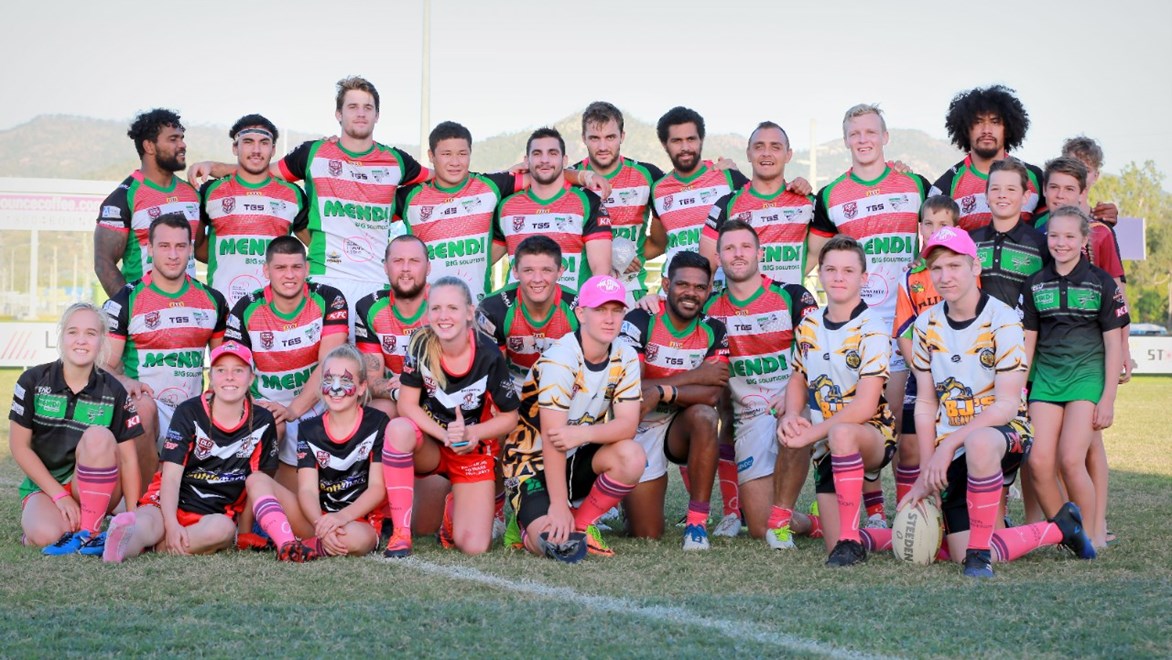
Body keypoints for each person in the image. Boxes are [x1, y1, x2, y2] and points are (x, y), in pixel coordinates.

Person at [901, 226, 1095, 578]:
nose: (945, 276)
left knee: (979, 442)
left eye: (954, 266)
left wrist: (949, 447)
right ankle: (1061, 528)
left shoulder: (1002, 318)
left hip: (1006, 434)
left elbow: (1005, 405)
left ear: (975, 267)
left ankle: (980, 556)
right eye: (937, 268)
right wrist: (928, 469)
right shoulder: (926, 324)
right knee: (955, 552)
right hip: (953, 444)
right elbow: (926, 404)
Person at [189, 76, 431, 337]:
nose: (360, 114)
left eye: (367, 107)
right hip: (323, 280)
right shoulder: (313, 153)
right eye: (352, 107)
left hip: (377, 281)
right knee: (326, 360)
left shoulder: (396, 161)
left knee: (373, 361)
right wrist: (215, 167)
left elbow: (439, 179)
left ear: (377, 115)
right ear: (338, 114)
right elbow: (261, 171)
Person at [810, 104, 930, 526]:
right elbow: (813, 257)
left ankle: (911, 515)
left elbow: (942, 233)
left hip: (908, 323)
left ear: (885, 137)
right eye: (855, 133)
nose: (863, 140)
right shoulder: (830, 195)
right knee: (866, 421)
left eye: (870, 132)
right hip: (857, 325)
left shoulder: (915, 184)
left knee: (899, 429)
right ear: (846, 140)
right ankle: (876, 513)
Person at [502, 275, 645, 561]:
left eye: (616, 310)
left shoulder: (626, 355)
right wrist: (557, 505)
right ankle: (523, 525)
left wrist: (582, 434)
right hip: (533, 461)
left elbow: (627, 426)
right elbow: (554, 439)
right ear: (581, 313)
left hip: (577, 452)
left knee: (632, 456)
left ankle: (582, 523)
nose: (609, 319)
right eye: (600, 310)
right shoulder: (561, 358)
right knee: (556, 546)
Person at [101, 342, 284, 562]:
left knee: (223, 530)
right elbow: (170, 477)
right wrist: (171, 524)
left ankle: (160, 547)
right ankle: (121, 544)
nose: (229, 377)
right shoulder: (189, 411)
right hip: (170, 500)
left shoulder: (262, 421)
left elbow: (255, 483)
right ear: (211, 376)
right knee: (147, 523)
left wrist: (244, 534)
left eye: (238, 370)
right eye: (221, 370)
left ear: (251, 378)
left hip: (214, 513)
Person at [380, 277, 522, 557]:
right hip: (433, 444)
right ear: (428, 312)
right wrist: (444, 435)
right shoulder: (420, 342)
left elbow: (510, 418)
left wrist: (472, 434)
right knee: (398, 428)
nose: (443, 316)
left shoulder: (488, 354)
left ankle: (451, 512)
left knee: (474, 546)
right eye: (436, 308)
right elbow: (407, 405)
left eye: (452, 308)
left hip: (470, 450)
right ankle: (400, 534)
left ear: (469, 313)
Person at [780, 235, 897, 566]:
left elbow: (864, 407)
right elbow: (798, 377)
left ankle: (849, 538)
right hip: (825, 446)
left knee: (842, 432)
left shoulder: (872, 328)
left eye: (848, 270)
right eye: (830, 269)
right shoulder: (809, 324)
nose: (838, 277)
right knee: (835, 550)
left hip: (871, 435)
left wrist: (808, 435)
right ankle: (882, 536)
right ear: (819, 274)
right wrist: (791, 415)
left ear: (863, 278)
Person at [704, 221, 819, 545]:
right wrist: (650, 301)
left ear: (760, 253)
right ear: (718, 257)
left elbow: (819, 355)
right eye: (729, 248)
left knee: (796, 423)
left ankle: (783, 518)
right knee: (757, 527)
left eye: (745, 247)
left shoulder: (792, 296)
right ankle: (815, 522)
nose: (738, 254)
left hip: (793, 405)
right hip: (750, 417)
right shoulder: (709, 310)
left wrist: (796, 397)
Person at [1023, 206, 1128, 549]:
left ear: (1084, 240)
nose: (1061, 243)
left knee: (1070, 459)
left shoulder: (1101, 282)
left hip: (1086, 377)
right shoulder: (1035, 283)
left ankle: (1094, 535)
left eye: (1069, 236)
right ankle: (1070, 534)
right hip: (1047, 379)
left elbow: (1113, 344)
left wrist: (1108, 398)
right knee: (1039, 462)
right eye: (1054, 235)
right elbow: (1028, 343)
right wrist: (1019, 389)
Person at [104, 214, 228, 486]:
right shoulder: (126, 300)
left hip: (193, 412)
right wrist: (125, 380)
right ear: (150, 248)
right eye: (164, 246)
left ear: (190, 249)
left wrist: (215, 395)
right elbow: (102, 366)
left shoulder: (213, 300)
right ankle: (146, 496)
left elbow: (224, 364)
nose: (173, 255)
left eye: (180, 246)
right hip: (148, 411)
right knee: (141, 406)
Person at [10, 303, 143, 555]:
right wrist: (59, 496)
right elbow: (19, 446)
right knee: (46, 535)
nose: (81, 340)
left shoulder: (113, 390)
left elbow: (128, 459)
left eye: (91, 333)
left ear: (102, 341)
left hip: (93, 484)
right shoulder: (32, 381)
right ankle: (65, 522)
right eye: (73, 332)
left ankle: (89, 531)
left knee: (98, 435)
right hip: (47, 486)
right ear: (62, 336)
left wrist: (132, 516)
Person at [618, 251, 728, 550]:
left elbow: (711, 394)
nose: (691, 293)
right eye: (683, 284)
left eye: (700, 287)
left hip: (680, 421)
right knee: (646, 533)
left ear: (709, 290)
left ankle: (696, 523)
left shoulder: (714, 329)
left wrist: (663, 391)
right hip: (639, 423)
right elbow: (633, 387)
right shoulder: (640, 319)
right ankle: (624, 499)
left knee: (706, 416)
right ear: (666, 284)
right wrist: (696, 375)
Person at [224, 236, 349, 487]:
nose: (289, 275)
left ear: (307, 268)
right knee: (272, 426)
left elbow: (329, 364)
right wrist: (258, 407)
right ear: (266, 270)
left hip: (316, 403)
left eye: (296, 267)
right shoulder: (246, 307)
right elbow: (232, 370)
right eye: (280, 268)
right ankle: (244, 504)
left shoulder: (329, 298)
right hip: (266, 404)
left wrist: (292, 410)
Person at [890, 196, 962, 505]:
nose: (935, 231)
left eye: (943, 224)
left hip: (961, 374)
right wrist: (921, 372)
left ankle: (952, 511)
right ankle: (909, 512)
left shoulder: (968, 272)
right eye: (929, 224)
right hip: (922, 375)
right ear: (920, 228)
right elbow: (903, 332)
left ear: (956, 228)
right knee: (909, 447)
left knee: (956, 444)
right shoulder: (911, 277)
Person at [197, 113, 309, 308]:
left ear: (273, 149)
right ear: (235, 147)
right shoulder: (210, 191)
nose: (256, 150)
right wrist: (233, 258)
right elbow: (196, 246)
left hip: (275, 311)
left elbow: (316, 247)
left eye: (264, 143)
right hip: (225, 309)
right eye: (248, 142)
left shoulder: (293, 194)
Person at [95, 109, 199, 298]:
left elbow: (199, 249)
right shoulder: (123, 197)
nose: (182, 145)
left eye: (182, 138)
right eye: (173, 139)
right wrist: (130, 306)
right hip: (146, 311)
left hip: (189, 309)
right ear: (149, 146)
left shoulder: (191, 193)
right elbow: (104, 263)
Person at [493, 127, 613, 292]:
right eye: (537, 154)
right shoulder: (506, 206)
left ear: (564, 160)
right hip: (518, 306)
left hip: (571, 306)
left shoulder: (588, 201)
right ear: (526, 161)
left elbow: (601, 272)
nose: (545, 160)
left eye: (552, 153)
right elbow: (482, 260)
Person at [699, 121, 815, 287]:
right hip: (738, 304)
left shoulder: (808, 202)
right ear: (748, 154)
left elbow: (826, 250)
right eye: (759, 147)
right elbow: (704, 271)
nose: (766, 153)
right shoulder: (726, 204)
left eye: (775, 147)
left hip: (788, 303)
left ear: (788, 155)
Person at [576, 102, 666, 302]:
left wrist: (719, 169)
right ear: (584, 138)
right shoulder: (571, 178)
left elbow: (660, 243)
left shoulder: (647, 175)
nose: (602, 147)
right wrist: (608, 255)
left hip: (630, 291)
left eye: (610, 137)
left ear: (622, 136)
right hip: (582, 292)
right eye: (594, 138)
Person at [646, 107, 750, 276]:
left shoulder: (729, 177)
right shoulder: (658, 189)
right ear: (665, 144)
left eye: (691, 139)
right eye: (677, 141)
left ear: (701, 140)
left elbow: (768, 201)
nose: (685, 147)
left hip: (722, 286)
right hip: (676, 287)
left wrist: (795, 186)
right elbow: (658, 244)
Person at [931, 85, 1045, 231]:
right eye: (978, 122)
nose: (986, 130)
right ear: (965, 129)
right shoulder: (946, 185)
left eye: (995, 122)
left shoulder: (1035, 178)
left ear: (1008, 128)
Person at [477, 236, 578, 390]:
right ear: (515, 271)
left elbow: (589, 370)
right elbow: (492, 374)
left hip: (565, 383)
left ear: (560, 271)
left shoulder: (580, 308)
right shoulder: (493, 308)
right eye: (528, 270)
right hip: (513, 384)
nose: (537, 279)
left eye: (546, 270)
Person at [355, 235, 432, 417]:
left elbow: (460, 373)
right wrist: (400, 392)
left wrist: (413, 384)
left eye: (414, 261)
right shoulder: (369, 308)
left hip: (440, 396)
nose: (405, 268)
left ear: (428, 267)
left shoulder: (444, 304)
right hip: (396, 395)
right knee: (377, 412)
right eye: (398, 261)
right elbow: (371, 380)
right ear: (385, 267)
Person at [969, 158, 1050, 307]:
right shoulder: (970, 241)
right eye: (995, 189)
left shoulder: (1041, 245)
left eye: (1011, 189)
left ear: (1025, 197)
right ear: (986, 195)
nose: (1002, 195)